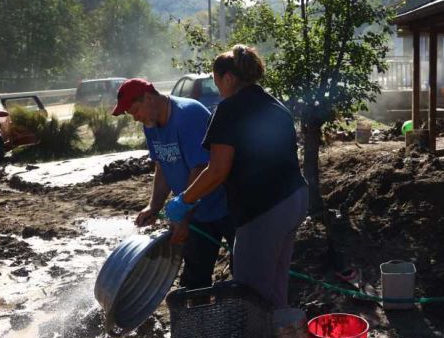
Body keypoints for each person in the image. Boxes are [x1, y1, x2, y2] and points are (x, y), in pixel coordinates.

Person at [165, 45, 308, 308]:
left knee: (249, 291)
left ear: (228, 78)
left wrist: (184, 200)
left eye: (217, 81)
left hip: (264, 208)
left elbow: (217, 171)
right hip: (295, 199)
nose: (218, 88)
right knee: (275, 284)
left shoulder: (229, 109)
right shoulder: (275, 105)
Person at [112, 78, 234, 289]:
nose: (135, 118)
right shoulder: (150, 124)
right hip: (194, 212)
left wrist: (183, 216)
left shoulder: (188, 115)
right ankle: (199, 319)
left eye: (135, 111)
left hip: (227, 206)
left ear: (149, 98)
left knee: (244, 273)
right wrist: (154, 206)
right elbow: (163, 165)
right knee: (194, 280)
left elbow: (200, 169)